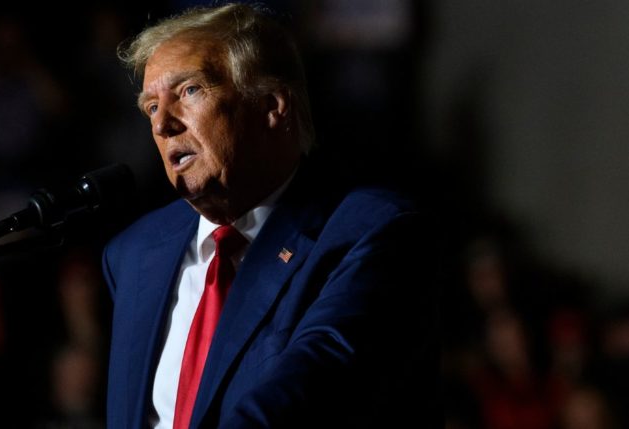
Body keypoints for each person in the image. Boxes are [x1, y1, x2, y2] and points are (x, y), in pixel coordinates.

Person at [101, 3, 442, 428]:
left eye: (189, 91)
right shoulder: (133, 253)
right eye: (151, 106)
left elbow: (307, 398)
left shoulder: (371, 232)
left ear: (271, 104)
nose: (162, 125)